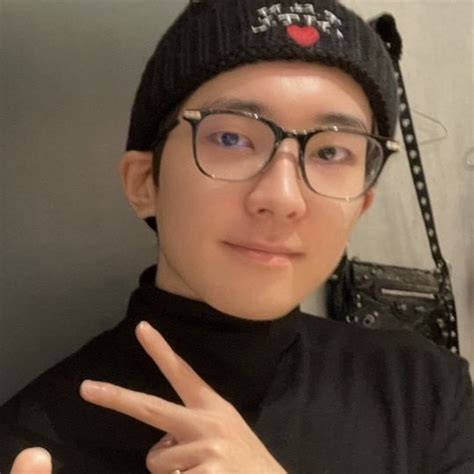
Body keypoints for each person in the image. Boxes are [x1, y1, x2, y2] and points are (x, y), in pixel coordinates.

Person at [2, 0, 473, 473]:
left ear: (362, 204)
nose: (283, 197)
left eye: (330, 152)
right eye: (231, 138)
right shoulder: (31, 444)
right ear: (145, 183)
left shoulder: (425, 393)